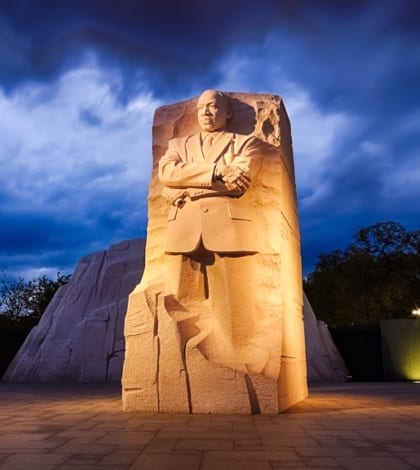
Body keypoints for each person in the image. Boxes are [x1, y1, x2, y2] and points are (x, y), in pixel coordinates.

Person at [158, 90, 269, 375]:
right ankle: (181, 365)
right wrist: (217, 171)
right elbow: (167, 175)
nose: (206, 112)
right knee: (181, 302)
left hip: (229, 230)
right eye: (201, 108)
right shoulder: (178, 144)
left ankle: (238, 360)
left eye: (213, 107)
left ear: (228, 112)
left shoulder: (247, 143)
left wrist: (186, 187)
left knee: (234, 306)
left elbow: (239, 185)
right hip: (184, 230)